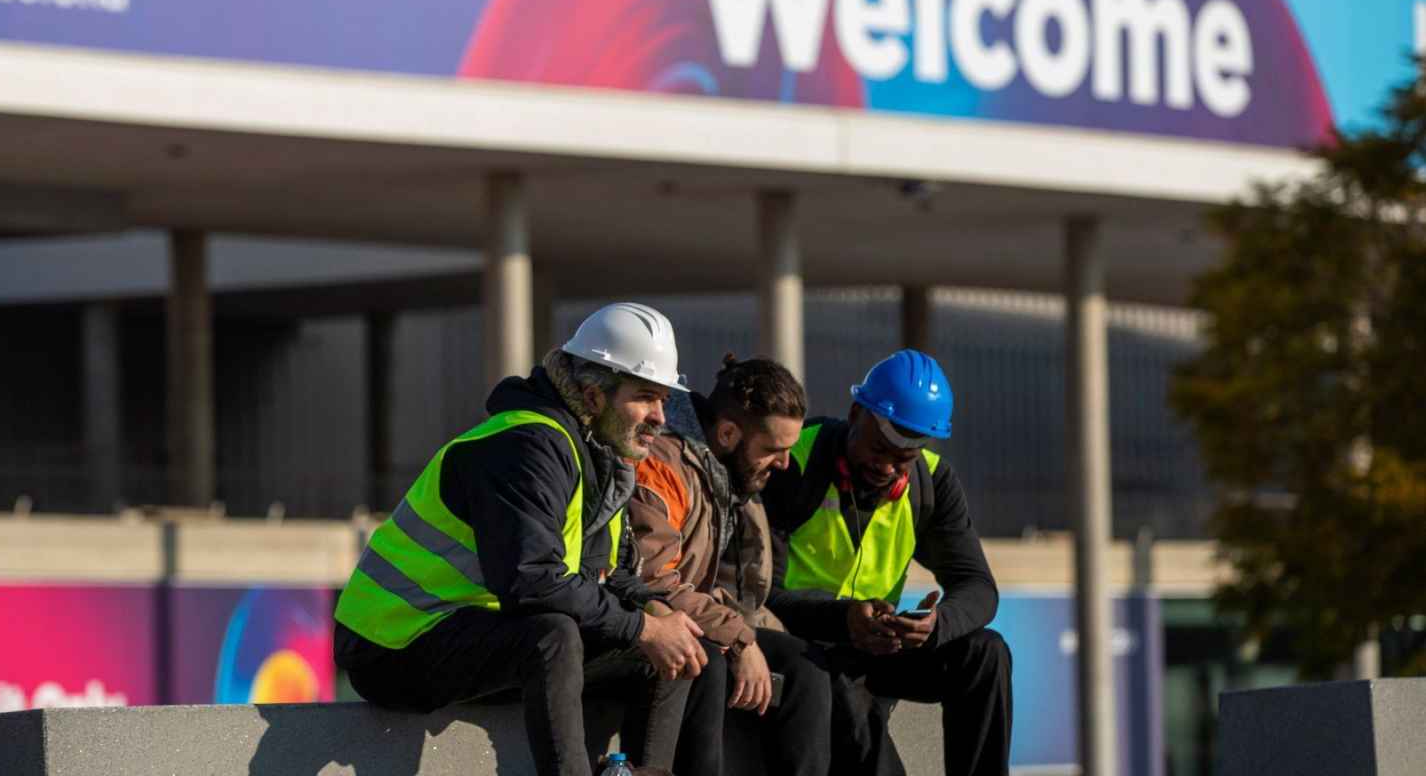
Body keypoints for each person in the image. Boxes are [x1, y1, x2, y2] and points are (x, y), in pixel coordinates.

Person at [333, 302, 715, 776]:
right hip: (391, 643)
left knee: (678, 647)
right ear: (594, 396)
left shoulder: (602, 455)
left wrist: (657, 615)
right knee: (553, 636)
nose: (661, 416)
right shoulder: (525, 446)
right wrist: (642, 628)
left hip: (477, 631)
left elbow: (607, 574)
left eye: (663, 399)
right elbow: (531, 582)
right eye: (645, 397)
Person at [762, 349, 1012, 776]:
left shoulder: (933, 482)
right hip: (803, 647)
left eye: (904, 458)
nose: (887, 467)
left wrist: (935, 627)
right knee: (856, 719)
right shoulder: (792, 462)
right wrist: (843, 620)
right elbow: (763, 593)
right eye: (880, 448)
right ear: (856, 413)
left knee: (986, 653)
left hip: (878, 649)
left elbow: (978, 587)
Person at [627, 353, 840, 776]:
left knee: (806, 666)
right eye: (773, 450)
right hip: (643, 621)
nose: (783, 464)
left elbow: (714, 587)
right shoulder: (662, 465)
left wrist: (749, 634)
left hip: (691, 615)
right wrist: (740, 640)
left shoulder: (724, 471)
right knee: (702, 659)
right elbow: (653, 581)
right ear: (727, 432)